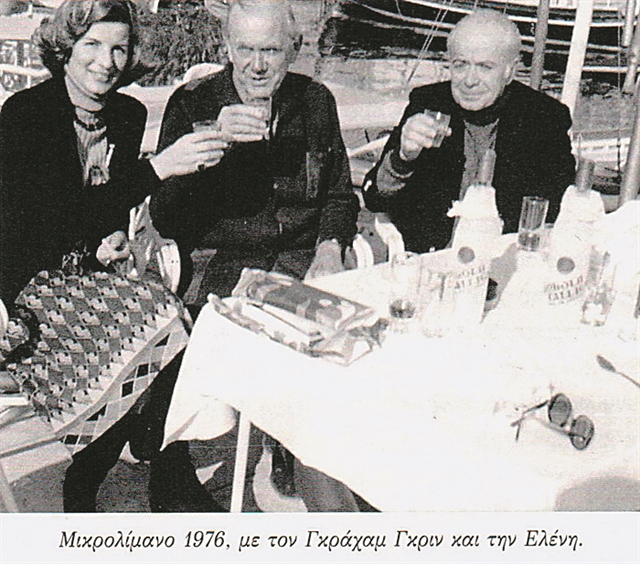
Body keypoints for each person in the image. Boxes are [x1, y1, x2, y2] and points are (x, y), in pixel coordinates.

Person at [0, 0, 227, 512]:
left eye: (119, 49)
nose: (106, 62)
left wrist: (112, 237)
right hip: (21, 283)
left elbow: (104, 207)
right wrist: (158, 169)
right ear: (66, 49)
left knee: (181, 322)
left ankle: (130, 465)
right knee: (157, 324)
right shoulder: (25, 114)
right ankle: (103, 470)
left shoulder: (128, 114)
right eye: (93, 45)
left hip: (88, 275)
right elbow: (46, 221)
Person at [150, 0, 361, 511]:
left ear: (294, 49)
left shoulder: (315, 101)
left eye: (270, 50)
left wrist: (330, 245)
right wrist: (211, 143)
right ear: (227, 48)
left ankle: (294, 446)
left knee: (346, 342)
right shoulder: (194, 102)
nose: (257, 65)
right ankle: (168, 468)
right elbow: (166, 217)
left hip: (297, 258)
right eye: (245, 49)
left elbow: (339, 193)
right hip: (218, 258)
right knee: (190, 334)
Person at [363, 9, 576, 253]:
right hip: (430, 257)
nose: (469, 80)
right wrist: (403, 158)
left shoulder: (544, 118)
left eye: (485, 67)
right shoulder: (429, 103)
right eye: (461, 65)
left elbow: (557, 211)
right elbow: (375, 199)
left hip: (503, 259)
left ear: (510, 70)